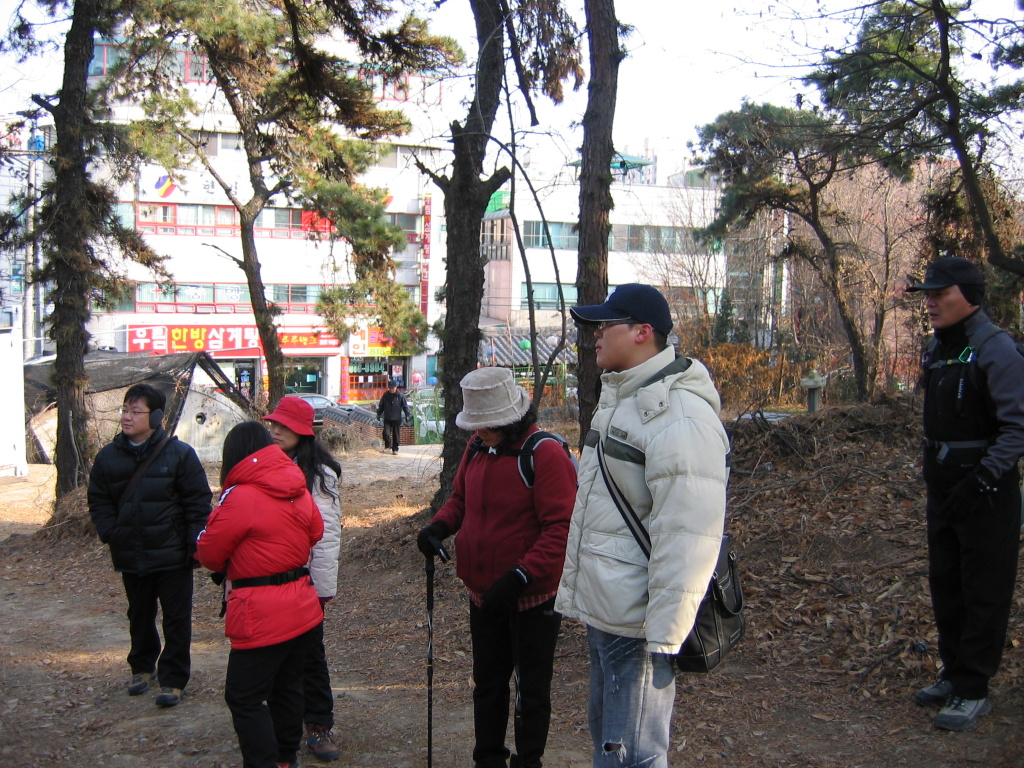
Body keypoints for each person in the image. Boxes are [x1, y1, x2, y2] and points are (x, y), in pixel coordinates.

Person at [554, 284, 730, 768]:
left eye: (603, 326)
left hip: (639, 623)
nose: (592, 337)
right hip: (608, 610)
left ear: (641, 333)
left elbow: (690, 534)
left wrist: (665, 635)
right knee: (610, 746)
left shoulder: (680, 414)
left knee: (634, 755)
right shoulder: (623, 400)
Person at [416, 367, 577, 768]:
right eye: (476, 424)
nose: (479, 430)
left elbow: (561, 527)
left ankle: (528, 761)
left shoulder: (545, 454)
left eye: (486, 424)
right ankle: (487, 759)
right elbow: (460, 500)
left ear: (509, 418)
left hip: (532, 596)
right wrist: (438, 527)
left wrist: (522, 574)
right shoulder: (477, 446)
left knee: (531, 688)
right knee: (487, 683)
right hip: (483, 592)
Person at [906, 256, 1024, 731]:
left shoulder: (997, 350)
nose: (930, 302)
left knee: (984, 590)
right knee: (946, 584)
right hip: (944, 486)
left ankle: (974, 688)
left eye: (940, 293)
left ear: (969, 295)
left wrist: (983, 480)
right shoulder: (939, 348)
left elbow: (1017, 428)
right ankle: (954, 674)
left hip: (987, 492)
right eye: (927, 295)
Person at [196, 421, 325, 768]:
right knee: (287, 686)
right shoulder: (295, 485)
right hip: (302, 603)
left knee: (243, 697)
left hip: (262, 610)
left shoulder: (241, 496)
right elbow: (316, 530)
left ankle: (265, 762)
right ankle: (286, 759)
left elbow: (208, 554)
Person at [88, 383, 212, 709]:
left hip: (173, 554)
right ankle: (142, 668)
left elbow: (198, 502)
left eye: (135, 411)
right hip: (131, 551)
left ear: (155, 417)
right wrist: (111, 532)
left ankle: (173, 679)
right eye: (124, 410)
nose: (127, 417)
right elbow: (98, 499)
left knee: (176, 618)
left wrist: (193, 543)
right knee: (139, 614)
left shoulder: (179, 454)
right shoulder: (108, 457)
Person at [264, 397, 344, 762]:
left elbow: (326, 534)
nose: (275, 431)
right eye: (273, 424)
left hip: (306, 581)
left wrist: (323, 588)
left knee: (310, 653)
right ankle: (280, 722)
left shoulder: (320, 475)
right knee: (272, 655)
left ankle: (318, 723)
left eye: (283, 426)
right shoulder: (261, 465)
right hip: (267, 580)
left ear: (302, 432)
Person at [376, 379, 411, 454]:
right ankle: (388, 446)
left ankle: (395, 449)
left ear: (396, 387)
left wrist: (407, 415)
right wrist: (379, 413)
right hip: (387, 417)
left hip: (396, 417)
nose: (391, 389)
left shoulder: (400, 396)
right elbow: (381, 405)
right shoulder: (385, 395)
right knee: (386, 433)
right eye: (390, 388)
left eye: (392, 388)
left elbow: (405, 406)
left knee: (396, 434)